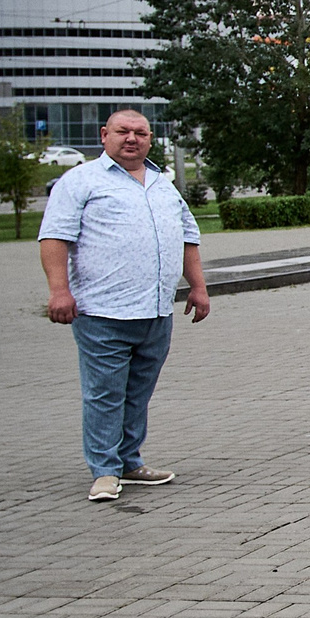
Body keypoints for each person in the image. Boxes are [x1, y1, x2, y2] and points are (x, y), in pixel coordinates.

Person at [39, 109, 211, 502]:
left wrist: (197, 288)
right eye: (123, 131)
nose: (131, 138)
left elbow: (188, 238)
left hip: (155, 311)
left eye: (140, 133)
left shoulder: (161, 184)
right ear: (104, 135)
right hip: (103, 311)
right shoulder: (81, 181)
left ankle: (129, 461)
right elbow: (54, 238)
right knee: (104, 392)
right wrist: (59, 290)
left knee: (138, 392)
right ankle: (103, 470)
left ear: (150, 140)